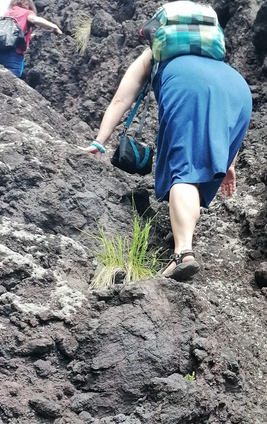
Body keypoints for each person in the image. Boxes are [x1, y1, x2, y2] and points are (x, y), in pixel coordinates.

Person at [83, 47, 252, 281]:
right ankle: (183, 247)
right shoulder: (210, 55)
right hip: (238, 89)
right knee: (190, 173)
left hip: (190, 88)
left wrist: (100, 141)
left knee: (182, 172)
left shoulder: (154, 52)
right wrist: (228, 163)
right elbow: (225, 122)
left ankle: (183, 253)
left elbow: (121, 99)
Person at [0, 0, 63, 77]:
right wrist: (54, 27)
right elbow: (34, 19)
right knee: (12, 79)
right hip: (13, 53)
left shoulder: (9, 12)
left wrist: (32, 36)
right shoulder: (26, 13)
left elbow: (12, 33)